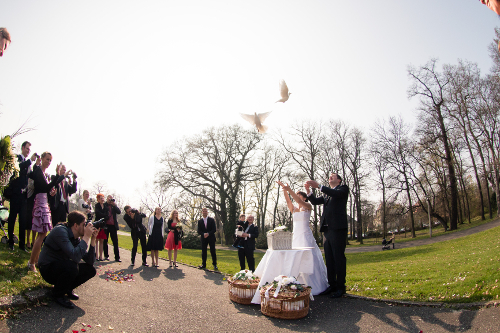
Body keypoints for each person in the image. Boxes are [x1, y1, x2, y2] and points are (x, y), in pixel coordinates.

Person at [277, 180, 329, 295]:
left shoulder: (308, 206)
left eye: (299, 195)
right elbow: (289, 201)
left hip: (305, 237)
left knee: (308, 258)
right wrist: (285, 191)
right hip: (296, 237)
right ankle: (296, 282)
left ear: (304, 198)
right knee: (295, 259)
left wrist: (289, 189)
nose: (297, 197)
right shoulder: (294, 210)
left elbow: (298, 200)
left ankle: (314, 284)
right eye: (296, 194)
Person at [38, 211, 98, 309]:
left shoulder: (75, 238)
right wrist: (86, 237)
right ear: (76, 226)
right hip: (47, 269)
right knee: (72, 267)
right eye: (84, 225)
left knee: (90, 270)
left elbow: (90, 261)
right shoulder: (60, 231)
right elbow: (75, 257)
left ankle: (66, 288)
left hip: (60, 268)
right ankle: (57, 294)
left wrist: (93, 240)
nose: (86, 227)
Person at [305, 173, 349, 298]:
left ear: (339, 180)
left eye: (333, 176)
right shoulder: (326, 194)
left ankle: (341, 287)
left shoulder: (343, 189)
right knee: (329, 259)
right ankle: (332, 285)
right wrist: (308, 191)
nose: (331, 177)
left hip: (338, 229)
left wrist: (319, 186)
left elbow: (336, 194)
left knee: (338, 258)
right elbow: (314, 201)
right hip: (327, 230)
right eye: (329, 176)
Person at [28, 152, 68, 272]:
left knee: (43, 233)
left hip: (44, 202)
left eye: (50, 160)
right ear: (42, 159)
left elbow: (47, 189)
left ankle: (36, 260)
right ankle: (31, 263)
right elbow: (44, 188)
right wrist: (58, 176)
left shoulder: (44, 174)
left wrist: (51, 194)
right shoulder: (38, 171)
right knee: (41, 234)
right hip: (39, 203)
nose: (49, 162)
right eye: (47, 159)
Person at [6, 141, 38, 251]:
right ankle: (10, 242)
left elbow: (30, 175)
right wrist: (31, 161)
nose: (28, 151)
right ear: (22, 148)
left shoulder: (28, 163)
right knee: (12, 218)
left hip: (24, 196)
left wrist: (36, 165)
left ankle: (21, 245)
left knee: (23, 220)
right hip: (16, 194)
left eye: (29, 149)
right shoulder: (17, 158)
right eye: (27, 148)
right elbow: (19, 167)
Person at [102, 195, 121, 262]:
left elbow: (119, 212)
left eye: (111, 199)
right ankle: (106, 256)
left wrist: (114, 205)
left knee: (115, 242)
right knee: (105, 241)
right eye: (109, 198)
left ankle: (117, 257)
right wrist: (107, 203)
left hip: (113, 226)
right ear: (107, 199)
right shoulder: (104, 205)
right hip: (106, 225)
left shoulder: (114, 206)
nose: (110, 200)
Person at [92, 194, 107, 260]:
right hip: (97, 224)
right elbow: (97, 213)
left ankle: (101, 256)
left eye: (103, 198)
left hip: (103, 225)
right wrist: (104, 216)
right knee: (96, 240)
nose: (102, 199)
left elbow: (107, 215)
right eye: (101, 198)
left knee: (102, 240)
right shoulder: (97, 205)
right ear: (98, 199)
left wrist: (104, 216)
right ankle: (96, 256)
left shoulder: (105, 206)